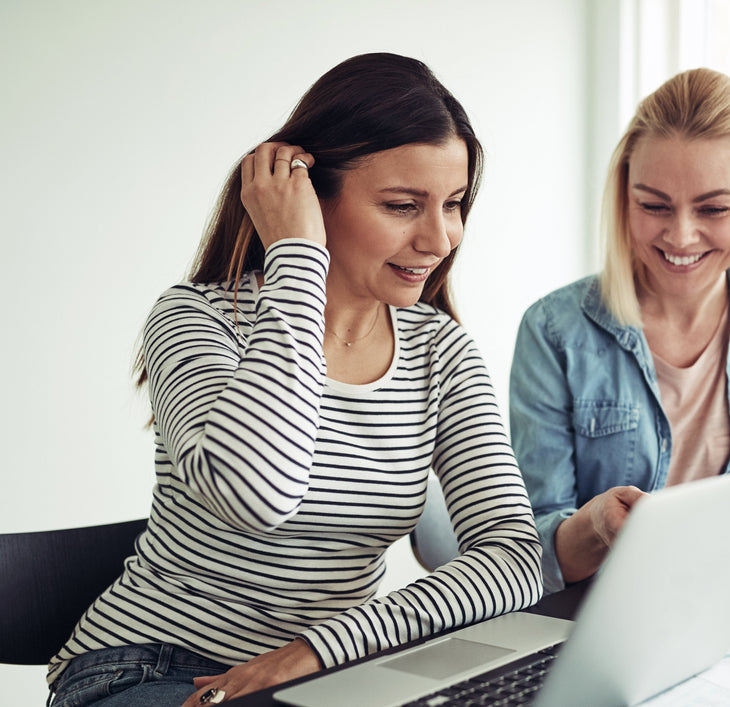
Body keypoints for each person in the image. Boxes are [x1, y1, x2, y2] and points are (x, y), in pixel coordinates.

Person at [47, 53, 542, 707]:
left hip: (327, 675)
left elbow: (512, 559)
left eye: (453, 204)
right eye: (402, 205)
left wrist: (318, 651)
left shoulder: (440, 351)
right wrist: (299, 257)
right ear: (307, 194)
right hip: (148, 668)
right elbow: (259, 495)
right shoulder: (196, 320)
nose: (440, 237)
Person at [509, 67, 730, 595]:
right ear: (623, 199)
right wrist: (595, 529)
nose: (680, 235)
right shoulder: (554, 331)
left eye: (713, 208)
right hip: (597, 619)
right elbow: (532, 545)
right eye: (653, 205)